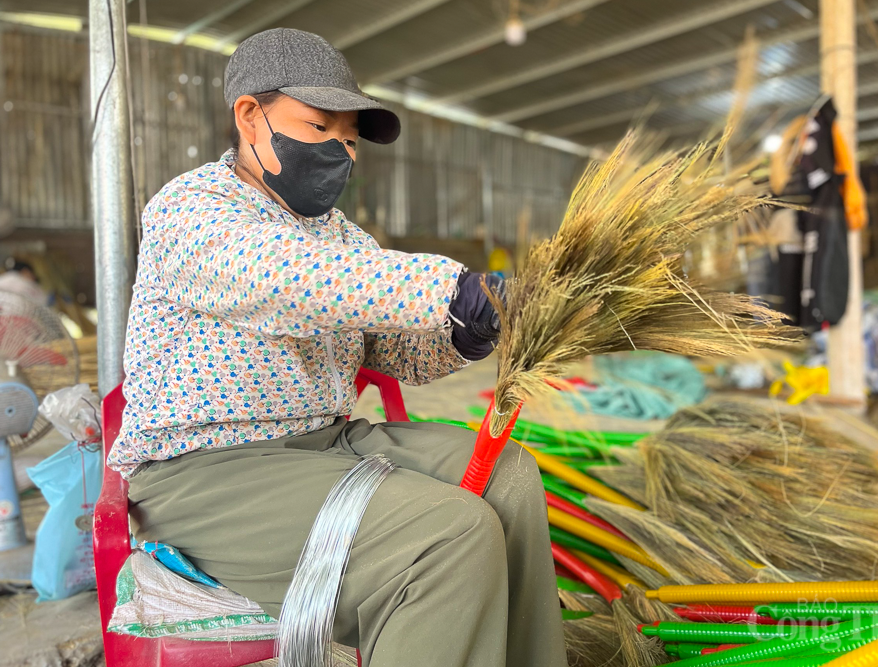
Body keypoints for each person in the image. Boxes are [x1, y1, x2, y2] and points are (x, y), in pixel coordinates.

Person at [109, 28, 566, 667]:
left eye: (349, 139)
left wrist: (465, 333)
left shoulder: (340, 236)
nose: (340, 152)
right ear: (250, 116)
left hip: (329, 443)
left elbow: (394, 350)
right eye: (319, 127)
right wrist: (453, 288)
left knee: (508, 476)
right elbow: (283, 277)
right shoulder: (192, 209)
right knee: (447, 535)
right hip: (208, 472)